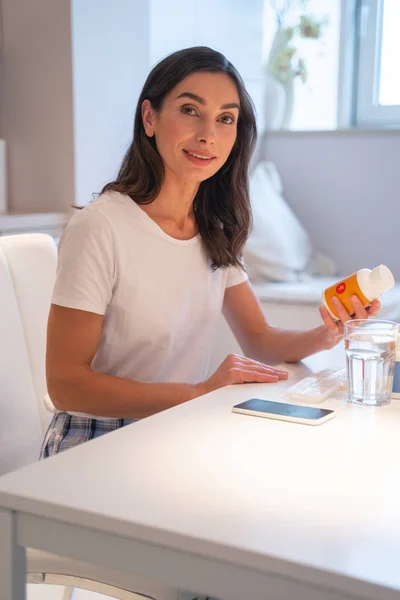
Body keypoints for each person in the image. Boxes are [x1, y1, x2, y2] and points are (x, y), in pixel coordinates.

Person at [40, 46, 380, 459]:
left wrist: (328, 333)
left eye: (225, 119)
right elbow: (65, 384)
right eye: (189, 110)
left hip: (175, 430)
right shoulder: (99, 227)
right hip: (96, 440)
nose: (208, 135)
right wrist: (198, 393)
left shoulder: (212, 230)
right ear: (149, 117)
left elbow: (259, 338)